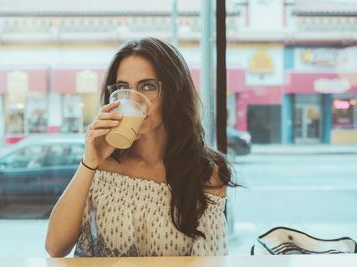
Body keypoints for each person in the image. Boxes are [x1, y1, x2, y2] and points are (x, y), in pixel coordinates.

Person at [45, 37, 237, 257]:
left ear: (174, 92)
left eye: (148, 86)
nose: (133, 99)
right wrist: (89, 163)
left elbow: (209, 261)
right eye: (123, 88)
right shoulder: (101, 164)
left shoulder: (205, 174)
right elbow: (55, 247)